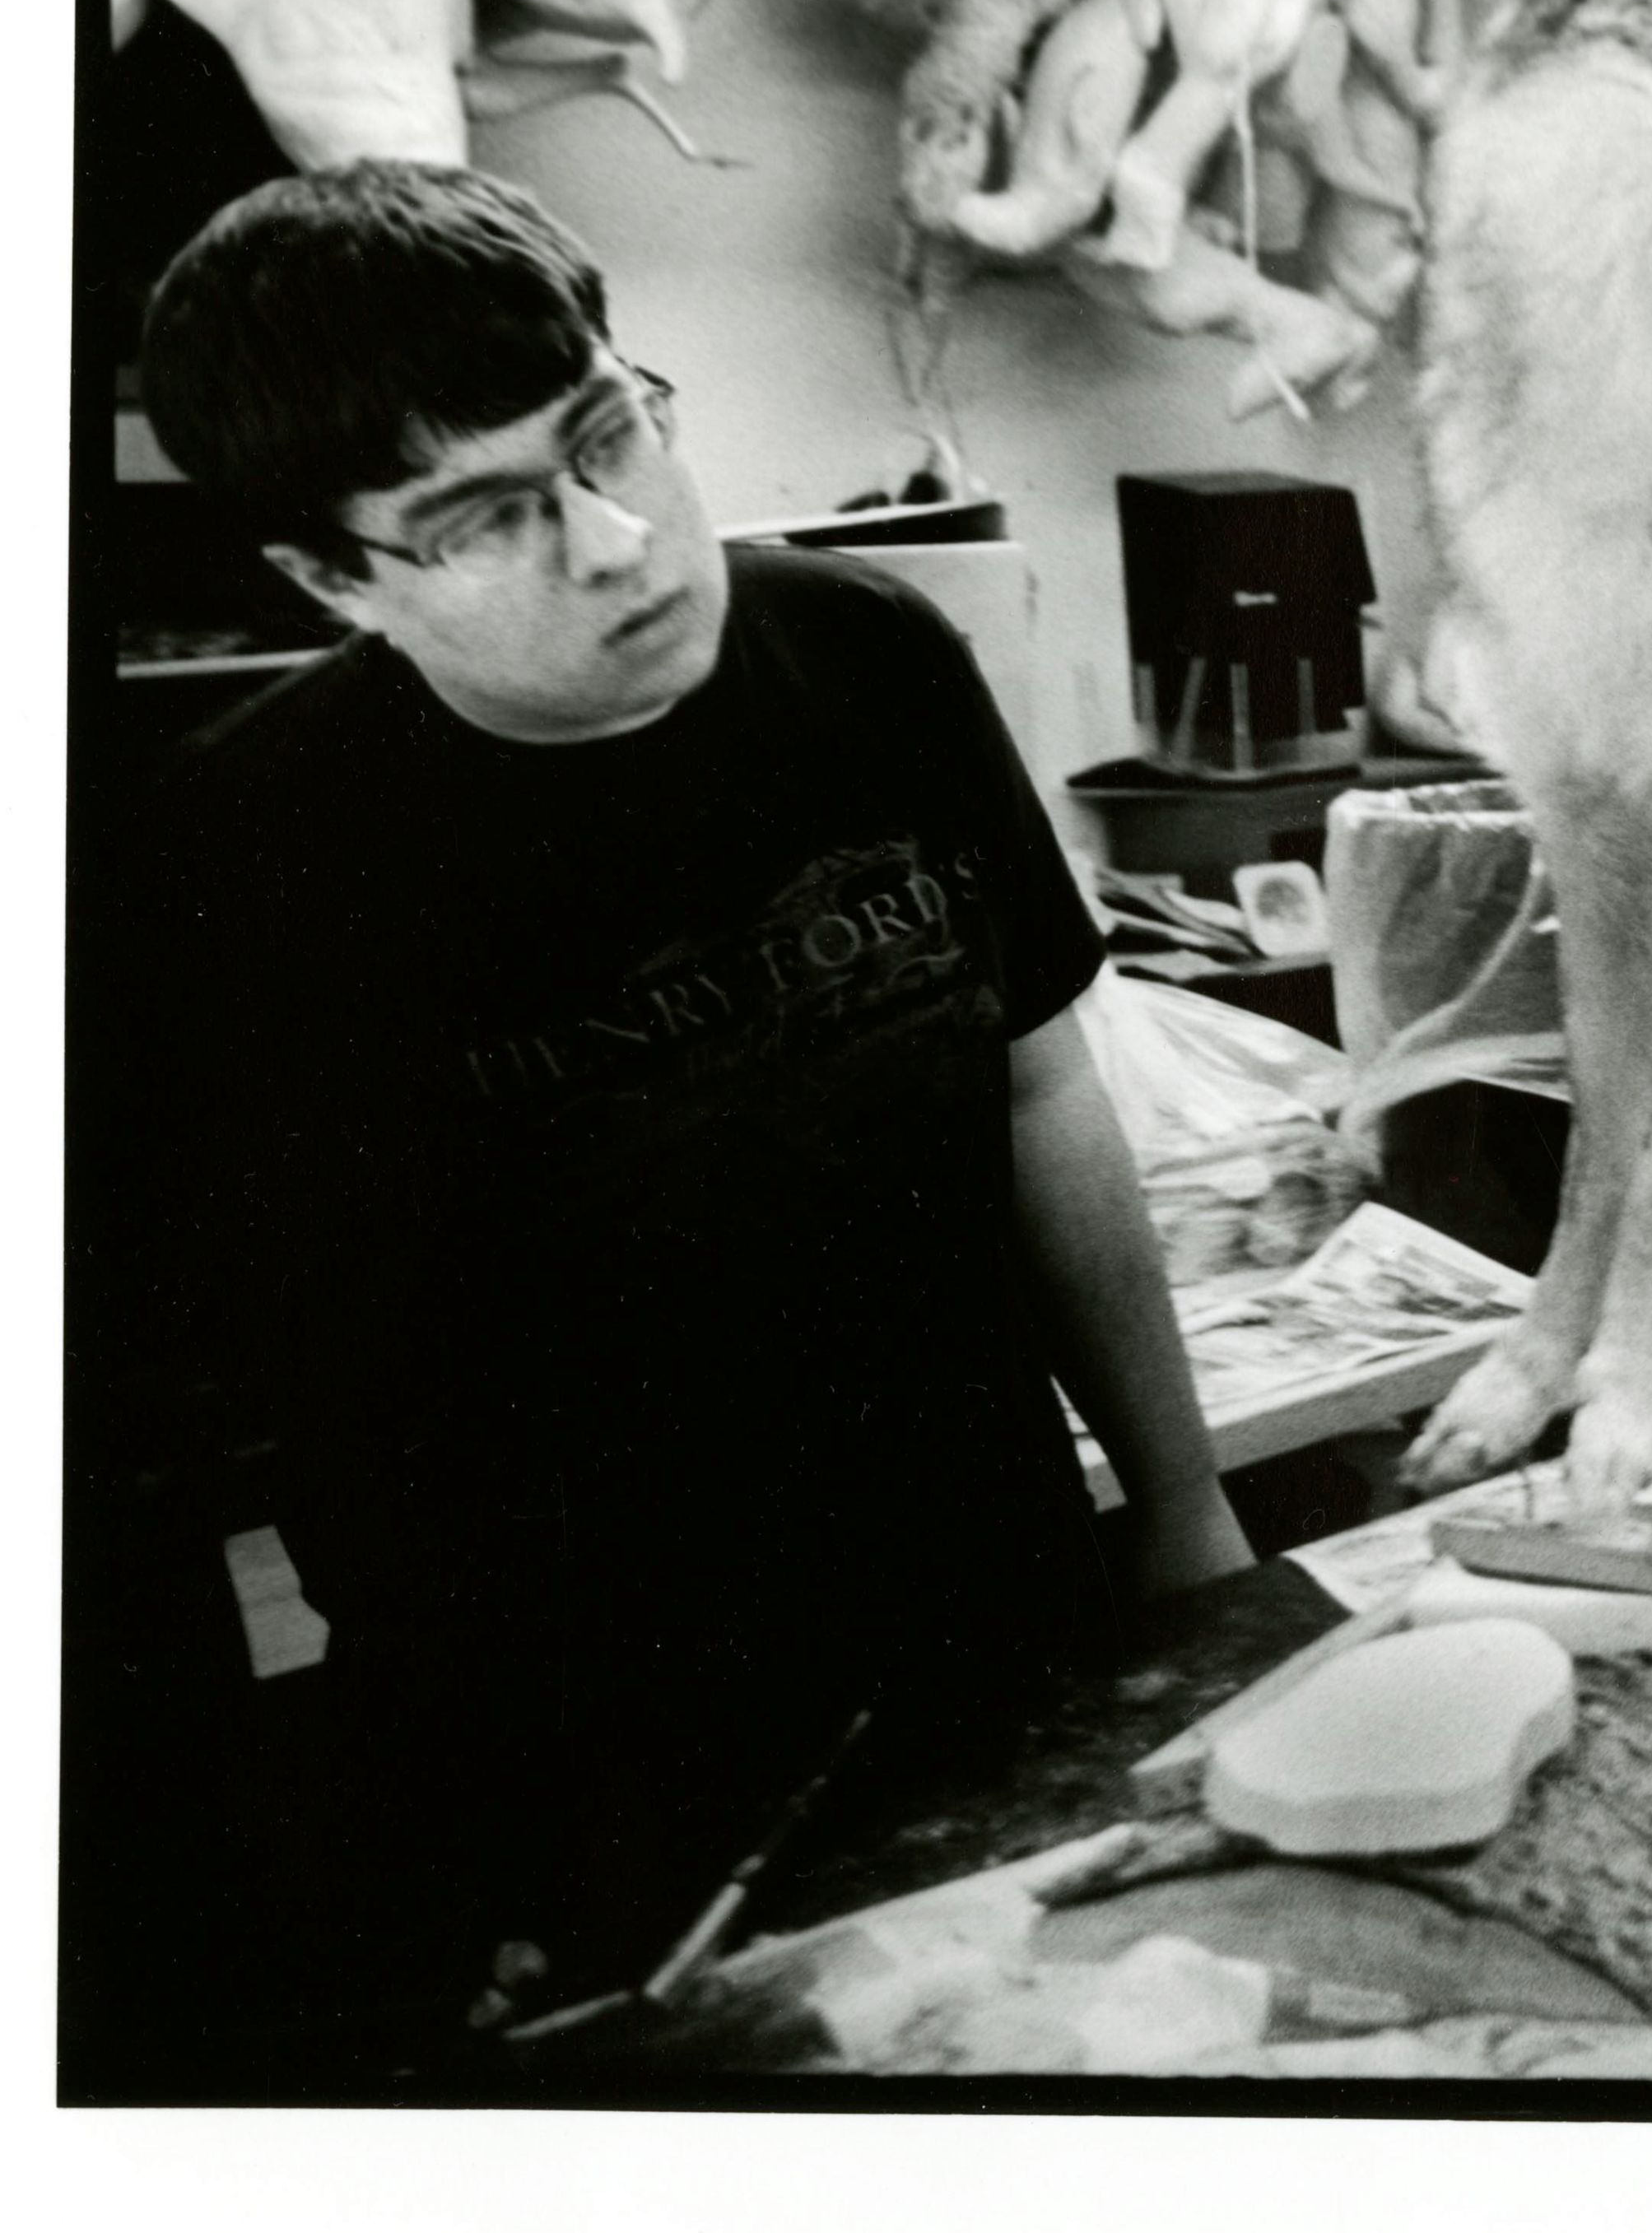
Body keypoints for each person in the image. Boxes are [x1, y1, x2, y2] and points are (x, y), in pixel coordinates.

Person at [83, 160, 1253, 2073]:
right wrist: (471, 1837)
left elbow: (1041, 1087)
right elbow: (320, 1409)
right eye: (486, 516)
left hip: (995, 1576)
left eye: (610, 431)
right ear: (329, 576)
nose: (617, 541)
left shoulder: (873, 654)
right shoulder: (232, 871)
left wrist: (1184, 1505)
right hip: (603, 1730)